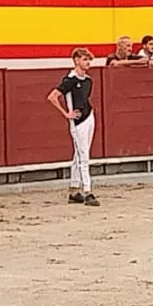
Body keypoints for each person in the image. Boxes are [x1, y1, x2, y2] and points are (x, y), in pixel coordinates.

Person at [47, 48, 99, 206]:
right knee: (83, 156)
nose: (88, 62)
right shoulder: (69, 80)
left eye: (89, 59)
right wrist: (66, 113)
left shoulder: (88, 80)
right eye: (84, 59)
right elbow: (52, 96)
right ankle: (88, 191)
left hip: (88, 116)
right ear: (76, 60)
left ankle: (74, 191)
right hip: (77, 122)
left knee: (80, 154)